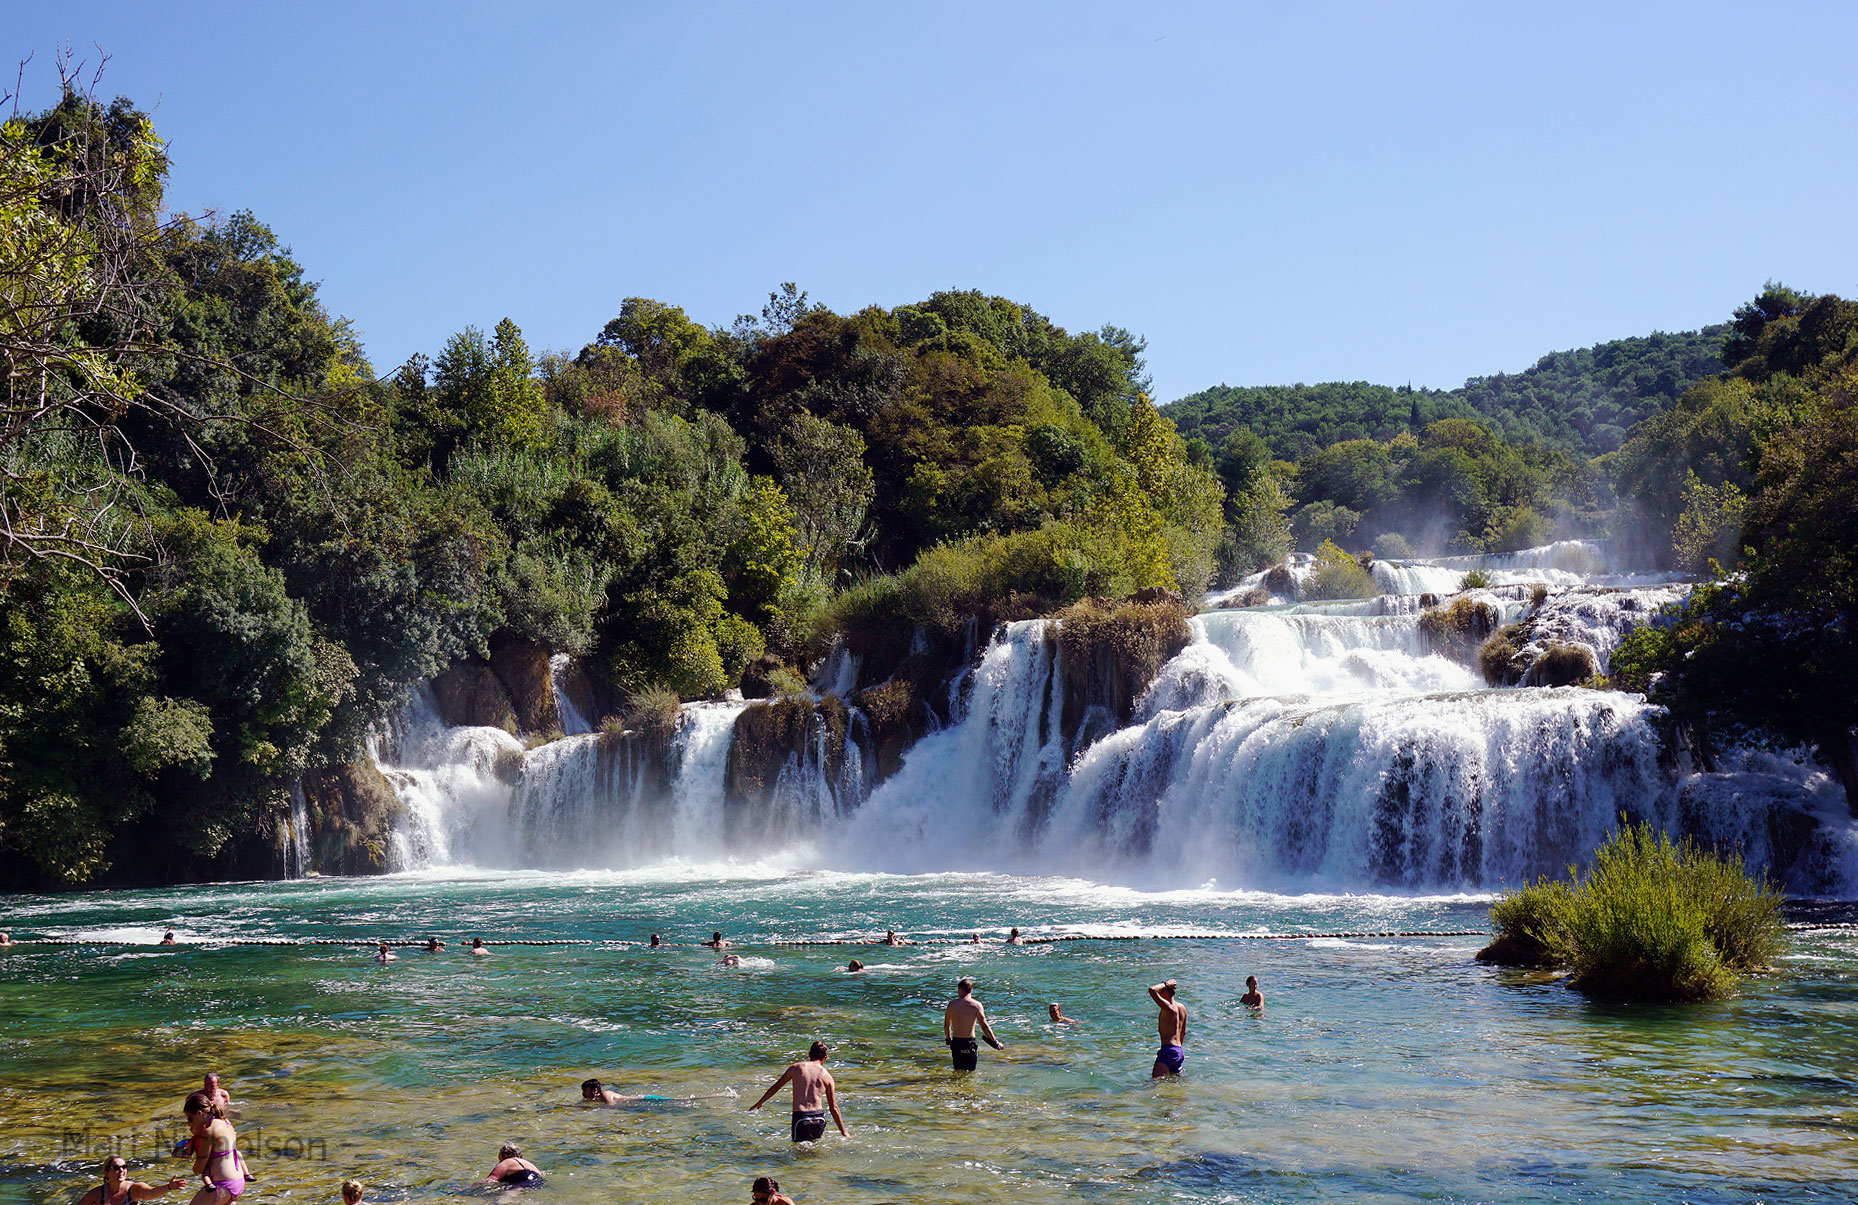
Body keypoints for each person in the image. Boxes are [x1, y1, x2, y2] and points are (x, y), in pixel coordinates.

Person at [748, 1040, 847, 1143]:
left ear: (809, 1054)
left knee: (799, 1154)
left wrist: (760, 1102)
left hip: (801, 1117)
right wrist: (843, 1131)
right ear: (825, 1057)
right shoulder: (828, 1076)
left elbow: (776, 1086)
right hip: (819, 1118)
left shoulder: (796, 1068)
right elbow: (834, 1107)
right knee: (814, 1152)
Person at [183, 1090, 248, 1204]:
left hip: (223, 1184)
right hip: (238, 1181)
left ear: (199, 1114)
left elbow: (198, 1169)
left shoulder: (208, 1133)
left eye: (190, 1119)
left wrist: (189, 1152)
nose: (189, 1123)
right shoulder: (225, 1122)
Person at [943, 978, 1005, 1070]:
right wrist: (995, 1042)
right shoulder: (976, 1005)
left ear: (960, 989)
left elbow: (946, 1025)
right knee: (970, 1072)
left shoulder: (951, 1005)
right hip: (969, 1043)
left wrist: (948, 1039)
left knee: (957, 1070)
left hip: (956, 1043)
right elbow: (984, 1026)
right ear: (971, 990)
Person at [74, 1157, 186, 1204]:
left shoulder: (134, 1189)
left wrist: (169, 1187)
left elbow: (151, 1193)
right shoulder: (98, 1193)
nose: (121, 1170)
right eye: (117, 1168)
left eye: (124, 1167)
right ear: (107, 1172)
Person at [580, 1078, 737, 1105]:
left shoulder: (606, 1095)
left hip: (646, 1100)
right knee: (682, 1100)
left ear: (594, 1090)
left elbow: (611, 1110)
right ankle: (722, 1094)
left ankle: (723, 1095)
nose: (583, 1094)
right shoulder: (600, 1097)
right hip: (644, 1100)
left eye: (585, 1091)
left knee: (683, 1100)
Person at [1148, 979, 1187, 1078]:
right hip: (1179, 1051)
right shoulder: (1182, 1007)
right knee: (1174, 1082)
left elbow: (1152, 990)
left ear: (1165, 992)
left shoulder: (1169, 1008)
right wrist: (1176, 1052)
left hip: (1168, 1050)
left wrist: (1166, 984)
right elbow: (1183, 1033)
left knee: (1155, 1082)